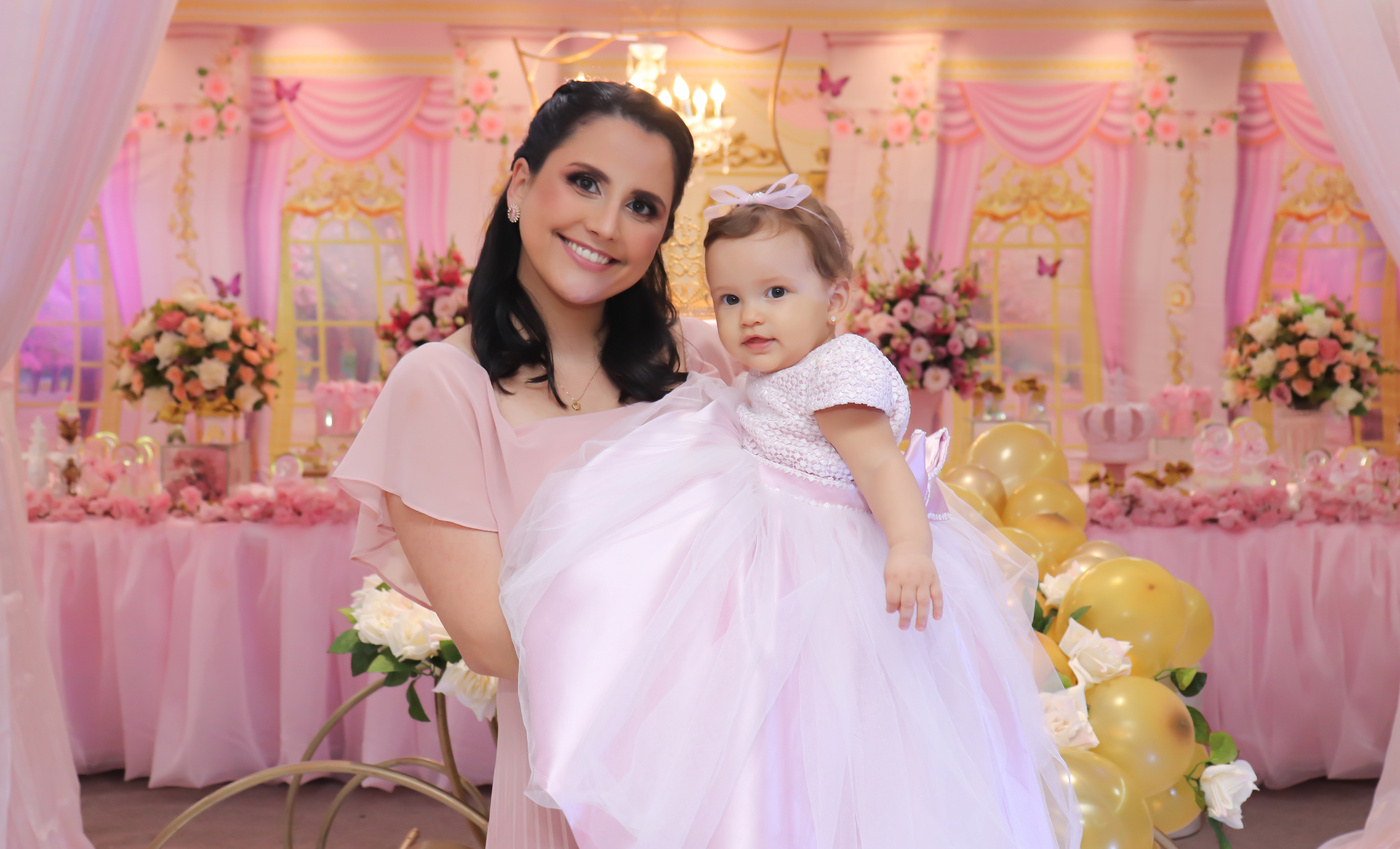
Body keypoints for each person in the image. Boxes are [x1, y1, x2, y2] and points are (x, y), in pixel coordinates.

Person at [498, 176, 1081, 849]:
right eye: (730, 298)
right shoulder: (774, 373)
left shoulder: (839, 370)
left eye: (776, 293)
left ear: (835, 300)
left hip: (828, 568)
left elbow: (880, 466)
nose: (751, 315)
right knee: (756, 719)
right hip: (768, 550)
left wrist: (909, 547)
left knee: (836, 725)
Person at [333, 80, 736, 848]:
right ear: (520, 185)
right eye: (584, 182)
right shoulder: (442, 387)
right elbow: (492, 638)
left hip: (736, 761)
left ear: (662, 233)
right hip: (575, 780)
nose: (606, 224)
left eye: (642, 205)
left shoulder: (712, 356)